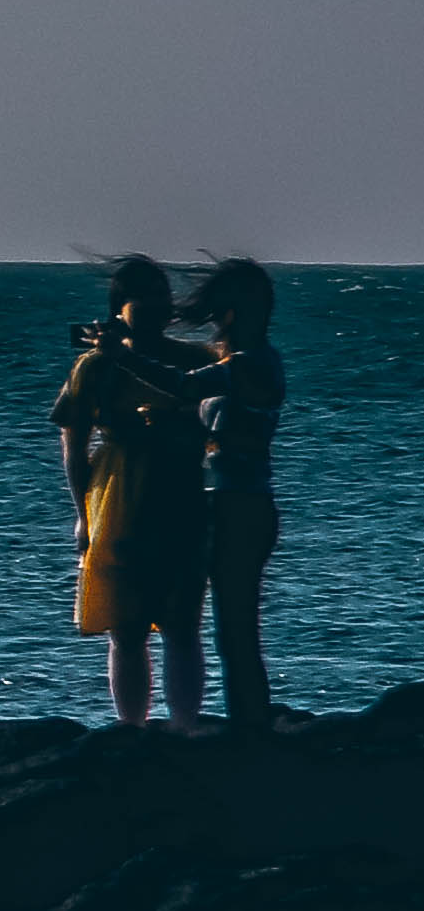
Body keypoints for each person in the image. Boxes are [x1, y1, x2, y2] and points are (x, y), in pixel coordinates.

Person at [56, 258, 213, 727]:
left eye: (157, 307)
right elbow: (74, 446)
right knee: (126, 626)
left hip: (178, 491)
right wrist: (82, 513)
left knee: (181, 620)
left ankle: (184, 726)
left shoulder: (193, 360)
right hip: (117, 496)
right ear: (117, 311)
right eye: (138, 308)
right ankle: (133, 727)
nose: (151, 317)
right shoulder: (94, 367)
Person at [188, 256, 293, 727]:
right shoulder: (255, 361)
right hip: (234, 504)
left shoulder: (248, 366)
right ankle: (247, 720)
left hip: (240, 508)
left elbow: (180, 383)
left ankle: (249, 727)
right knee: (232, 626)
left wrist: (124, 357)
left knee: (235, 627)